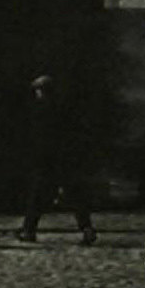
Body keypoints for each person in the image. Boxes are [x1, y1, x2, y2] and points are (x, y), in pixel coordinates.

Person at [17, 72, 98, 246]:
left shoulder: (39, 111)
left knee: (37, 198)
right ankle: (87, 229)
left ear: (42, 91)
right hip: (66, 160)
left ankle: (29, 231)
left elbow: (37, 140)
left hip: (47, 161)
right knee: (76, 197)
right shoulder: (65, 110)